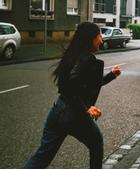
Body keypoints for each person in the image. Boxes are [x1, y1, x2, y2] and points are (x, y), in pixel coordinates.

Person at [24, 22, 121, 169]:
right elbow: (71, 85)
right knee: (96, 142)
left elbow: (88, 84)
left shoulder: (73, 55)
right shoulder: (87, 59)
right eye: (100, 36)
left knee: (41, 158)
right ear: (92, 38)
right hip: (74, 114)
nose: (101, 39)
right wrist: (85, 108)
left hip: (58, 111)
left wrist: (111, 75)